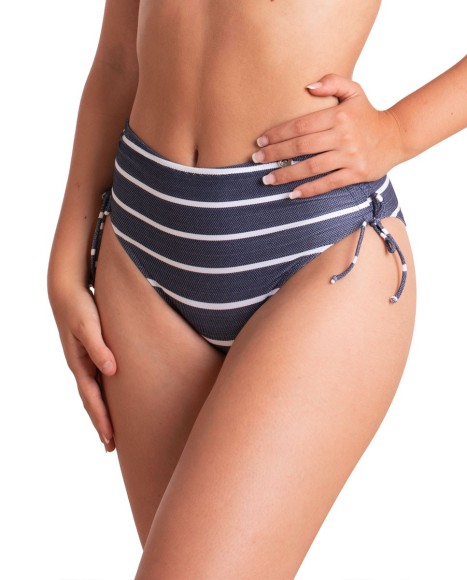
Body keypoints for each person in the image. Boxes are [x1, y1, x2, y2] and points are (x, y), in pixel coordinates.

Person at [47, 1, 466, 577]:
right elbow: (119, 57)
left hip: (318, 251)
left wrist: (397, 131)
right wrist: (66, 256)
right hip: (141, 245)